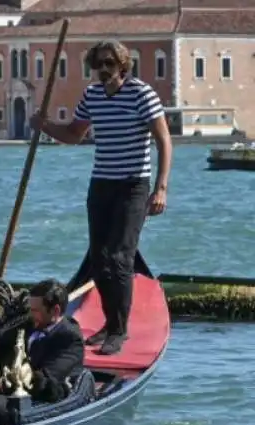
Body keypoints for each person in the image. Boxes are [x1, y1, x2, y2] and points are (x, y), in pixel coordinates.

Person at [29, 40, 172, 356]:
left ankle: (119, 331)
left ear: (123, 66)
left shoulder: (142, 94)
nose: (103, 70)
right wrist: (44, 125)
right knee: (99, 258)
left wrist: (160, 188)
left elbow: (164, 141)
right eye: (98, 65)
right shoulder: (92, 96)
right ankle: (109, 324)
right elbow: (72, 135)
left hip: (133, 186)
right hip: (101, 185)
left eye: (109, 63)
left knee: (120, 258)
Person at [0, 279, 85, 425]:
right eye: (30, 309)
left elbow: (45, 379)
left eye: (35, 310)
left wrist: (2, 383)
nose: (31, 314)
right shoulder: (28, 322)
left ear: (55, 310)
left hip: (42, 398)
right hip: (13, 390)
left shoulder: (71, 339)